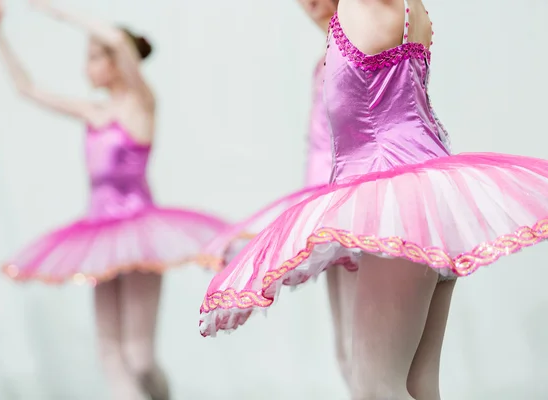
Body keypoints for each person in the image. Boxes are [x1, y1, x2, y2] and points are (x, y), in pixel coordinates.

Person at [200, 0, 548, 399]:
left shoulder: (371, 6)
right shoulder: (403, 10)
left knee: (374, 386)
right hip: (422, 200)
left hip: (398, 207)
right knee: (415, 385)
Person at [0, 1, 227, 399]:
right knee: (109, 352)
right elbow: (26, 88)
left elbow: (116, 38)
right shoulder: (92, 112)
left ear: (117, 62)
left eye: (94, 57)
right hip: (97, 234)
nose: (86, 67)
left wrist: (56, 12)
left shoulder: (141, 105)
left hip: (137, 231)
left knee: (139, 356)